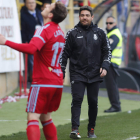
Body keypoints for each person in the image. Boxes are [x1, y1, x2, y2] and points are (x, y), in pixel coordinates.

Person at [0, 2, 67, 140]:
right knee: (45, 117)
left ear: (50, 15)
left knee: (32, 116)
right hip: (57, 82)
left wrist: (5, 41)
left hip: (43, 81)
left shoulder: (44, 29)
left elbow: (31, 49)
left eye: (49, 7)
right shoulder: (60, 31)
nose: (45, 6)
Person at [60, 5, 112, 139]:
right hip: (77, 73)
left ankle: (91, 129)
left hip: (95, 74)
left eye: (87, 15)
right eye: (82, 15)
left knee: (93, 102)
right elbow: (64, 54)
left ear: (92, 17)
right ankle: (75, 129)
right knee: (77, 100)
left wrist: (105, 66)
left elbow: (107, 51)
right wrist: (62, 71)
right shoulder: (72, 33)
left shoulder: (100, 33)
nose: (84, 17)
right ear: (79, 17)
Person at [21, 0, 43, 82]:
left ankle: (40, 77)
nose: (31, 4)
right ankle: (33, 77)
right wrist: (25, 41)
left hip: (41, 40)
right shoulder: (23, 14)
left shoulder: (39, 12)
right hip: (31, 40)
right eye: (29, 3)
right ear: (26, 4)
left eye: (33, 3)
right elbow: (23, 30)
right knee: (31, 61)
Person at [104, 16, 123, 113]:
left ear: (115, 24)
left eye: (110, 23)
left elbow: (109, 48)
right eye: (107, 23)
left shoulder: (114, 35)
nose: (108, 25)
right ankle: (115, 105)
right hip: (111, 63)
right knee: (111, 85)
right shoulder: (111, 33)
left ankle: (116, 106)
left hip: (112, 64)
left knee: (112, 85)